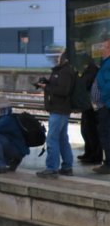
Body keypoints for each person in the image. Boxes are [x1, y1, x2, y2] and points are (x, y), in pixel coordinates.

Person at [35, 44, 76, 178]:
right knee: (62, 139)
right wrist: (47, 82)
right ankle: (67, 167)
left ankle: (52, 168)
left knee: (52, 139)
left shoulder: (64, 71)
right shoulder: (59, 70)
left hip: (59, 109)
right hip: (59, 109)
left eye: (54, 57)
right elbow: (58, 86)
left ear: (61, 57)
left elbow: (63, 91)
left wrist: (46, 86)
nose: (52, 60)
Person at [76, 55, 102, 167]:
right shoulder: (87, 70)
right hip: (87, 105)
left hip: (92, 106)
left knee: (91, 131)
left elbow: (85, 84)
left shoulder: (93, 70)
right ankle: (89, 152)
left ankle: (95, 156)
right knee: (86, 130)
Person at [93, 38, 110, 176]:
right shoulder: (105, 63)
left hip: (106, 105)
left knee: (106, 134)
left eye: (104, 47)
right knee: (104, 133)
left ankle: (108, 164)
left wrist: (102, 99)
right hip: (104, 105)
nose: (101, 50)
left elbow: (108, 85)